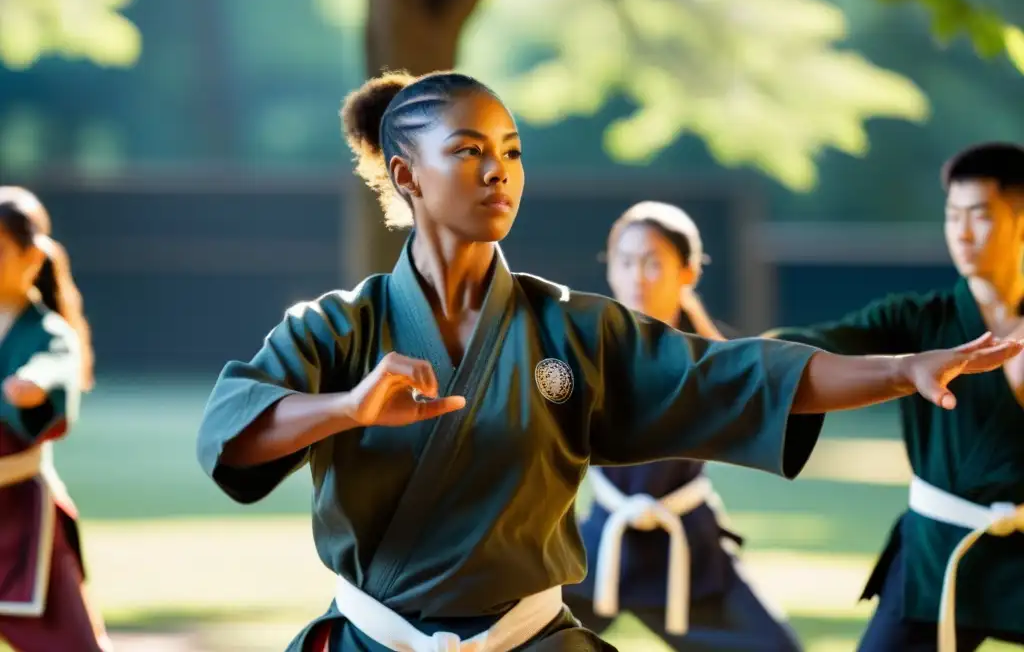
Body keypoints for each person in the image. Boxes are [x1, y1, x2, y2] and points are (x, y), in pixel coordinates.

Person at [195, 72, 1021, 652]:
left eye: (512, 152)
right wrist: (349, 410)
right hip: (377, 643)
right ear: (406, 175)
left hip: (529, 640)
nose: (499, 171)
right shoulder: (339, 330)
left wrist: (900, 369)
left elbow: (739, 374)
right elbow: (233, 429)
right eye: (471, 151)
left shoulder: (574, 332)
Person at [767, 142, 1024, 652]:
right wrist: (748, 353)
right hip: (936, 551)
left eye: (980, 216)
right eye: (952, 216)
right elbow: (818, 342)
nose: (963, 233)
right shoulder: (918, 321)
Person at [563, 200, 800, 650]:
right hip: (599, 550)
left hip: (689, 552)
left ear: (687, 273)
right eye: (626, 261)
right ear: (610, 269)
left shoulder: (716, 360)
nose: (637, 276)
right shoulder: (578, 349)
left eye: (653, 263)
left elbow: (767, 410)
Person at [0, 188, 110, 652]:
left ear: (30, 258)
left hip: (21, 517)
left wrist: (33, 384)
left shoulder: (47, 333)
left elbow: (56, 365)